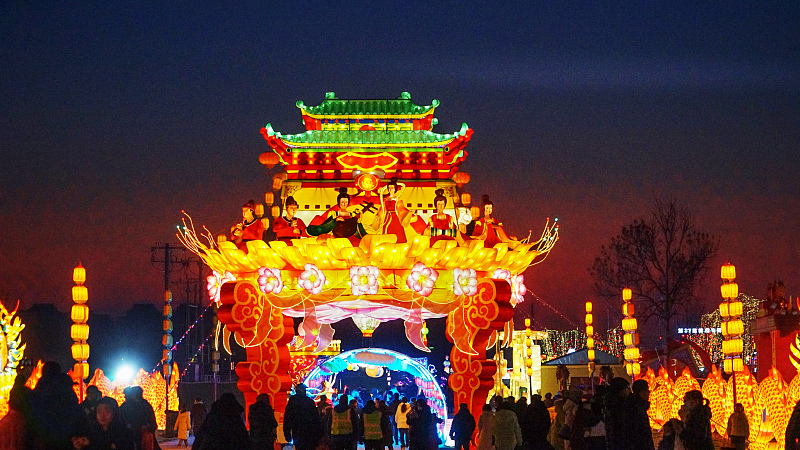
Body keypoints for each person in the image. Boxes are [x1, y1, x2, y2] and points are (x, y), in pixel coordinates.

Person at [28, 361, 84, 450]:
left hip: (46, 435)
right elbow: (75, 409)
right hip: (68, 435)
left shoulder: (42, 386)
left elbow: (35, 411)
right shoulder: (66, 386)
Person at [119, 385, 159, 450]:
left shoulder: (144, 405)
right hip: (129, 436)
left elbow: (153, 423)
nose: (125, 397)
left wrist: (146, 428)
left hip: (142, 436)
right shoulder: (126, 406)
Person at [284, 384, 322, 450]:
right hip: (310, 433)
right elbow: (316, 419)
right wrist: (318, 435)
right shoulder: (309, 402)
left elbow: (287, 418)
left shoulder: (292, 402)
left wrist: (287, 433)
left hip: (297, 432)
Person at [603, 378, 635, 450]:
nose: (630, 390)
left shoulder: (610, 404)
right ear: (621, 390)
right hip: (623, 442)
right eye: (628, 387)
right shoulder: (621, 405)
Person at [377, 178, 411, 243]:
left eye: (392, 188)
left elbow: (401, 208)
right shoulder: (386, 199)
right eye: (389, 188)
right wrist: (379, 216)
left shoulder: (397, 198)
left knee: (397, 231)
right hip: (387, 217)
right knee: (387, 230)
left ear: (395, 189)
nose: (390, 189)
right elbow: (382, 209)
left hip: (395, 217)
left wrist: (408, 213)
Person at [631, 379, 656, 450]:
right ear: (641, 392)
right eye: (647, 390)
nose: (648, 393)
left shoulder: (641, 407)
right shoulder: (636, 409)